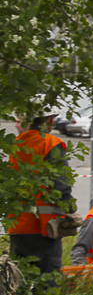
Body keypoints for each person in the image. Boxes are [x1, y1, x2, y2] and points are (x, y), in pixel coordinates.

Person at [7, 106, 77, 282]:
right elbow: (61, 185)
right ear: (50, 120)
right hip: (44, 227)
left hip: (18, 225)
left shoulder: (16, 144)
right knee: (47, 280)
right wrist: (70, 209)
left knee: (20, 280)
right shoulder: (51, 143)